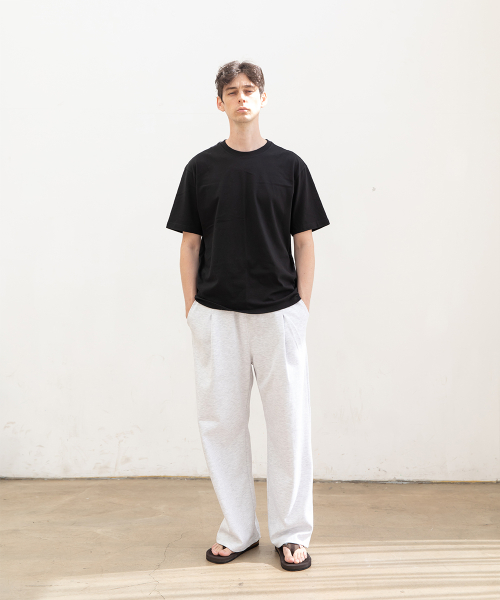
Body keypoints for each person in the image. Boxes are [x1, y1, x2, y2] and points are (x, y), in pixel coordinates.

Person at [166, 60, 330, 571]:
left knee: (289, 427)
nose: (241, 98)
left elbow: (305, 242)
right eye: (232, 91)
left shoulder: (289, 166)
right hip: (217, 315)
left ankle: (292, 533)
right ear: (220, 103)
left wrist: (301, 309)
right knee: (222, 426)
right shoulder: (201, 168)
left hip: (279, 315)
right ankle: (238, 530)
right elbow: (190, 244)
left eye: (250, 90)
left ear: (263, 98)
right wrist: (192, 310)